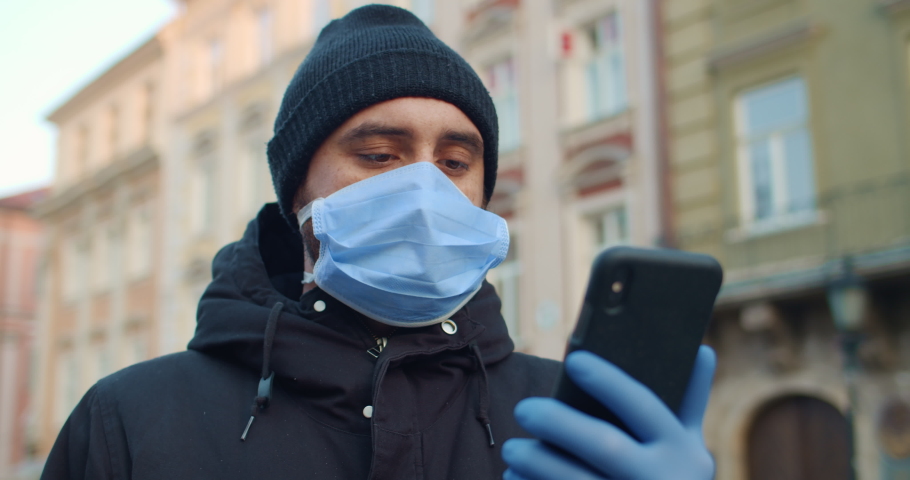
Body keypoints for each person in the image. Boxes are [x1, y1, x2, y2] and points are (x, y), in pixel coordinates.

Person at [41, 5, 715, 480]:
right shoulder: (133, 418)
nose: (424, 187)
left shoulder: (560, 419)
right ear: (298, 192)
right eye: (381, 155)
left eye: (455, 162)